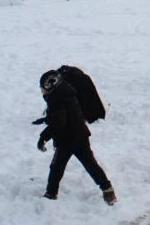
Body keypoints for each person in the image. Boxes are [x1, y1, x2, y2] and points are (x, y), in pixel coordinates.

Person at [35, 70, 116, 205]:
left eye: (42, 87)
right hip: (81, 135)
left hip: (67, 139)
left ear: (50, 86)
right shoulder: (66, 92)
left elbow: (58, 122)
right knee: (91, 164)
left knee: (56, 167)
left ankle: (51, 194)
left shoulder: (56, 100)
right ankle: (108, 191)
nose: (41, 90)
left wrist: (43, 137)